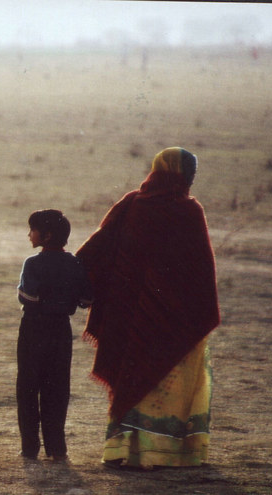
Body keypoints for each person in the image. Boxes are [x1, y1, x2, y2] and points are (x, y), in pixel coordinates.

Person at [75, 147, 220, 469]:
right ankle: (166, 451)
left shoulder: (132, 204)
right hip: (179, 322)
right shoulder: (188, 211)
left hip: (128, 316)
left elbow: (96, 248)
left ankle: (125, 449)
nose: (192, 179)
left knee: (131, 373)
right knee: (168, 380)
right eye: (190, 173)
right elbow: (200, 274)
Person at [16, 209, 92, 463]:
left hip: (33, 329)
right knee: (57, 388)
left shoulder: (33, 263)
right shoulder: (75, 263)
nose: (29, 234)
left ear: (46, 236)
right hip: (61, 330)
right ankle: (57, 448)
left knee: (27, 387)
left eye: (33, 230)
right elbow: (85, 300)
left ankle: (29, 448)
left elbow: (27, 297)